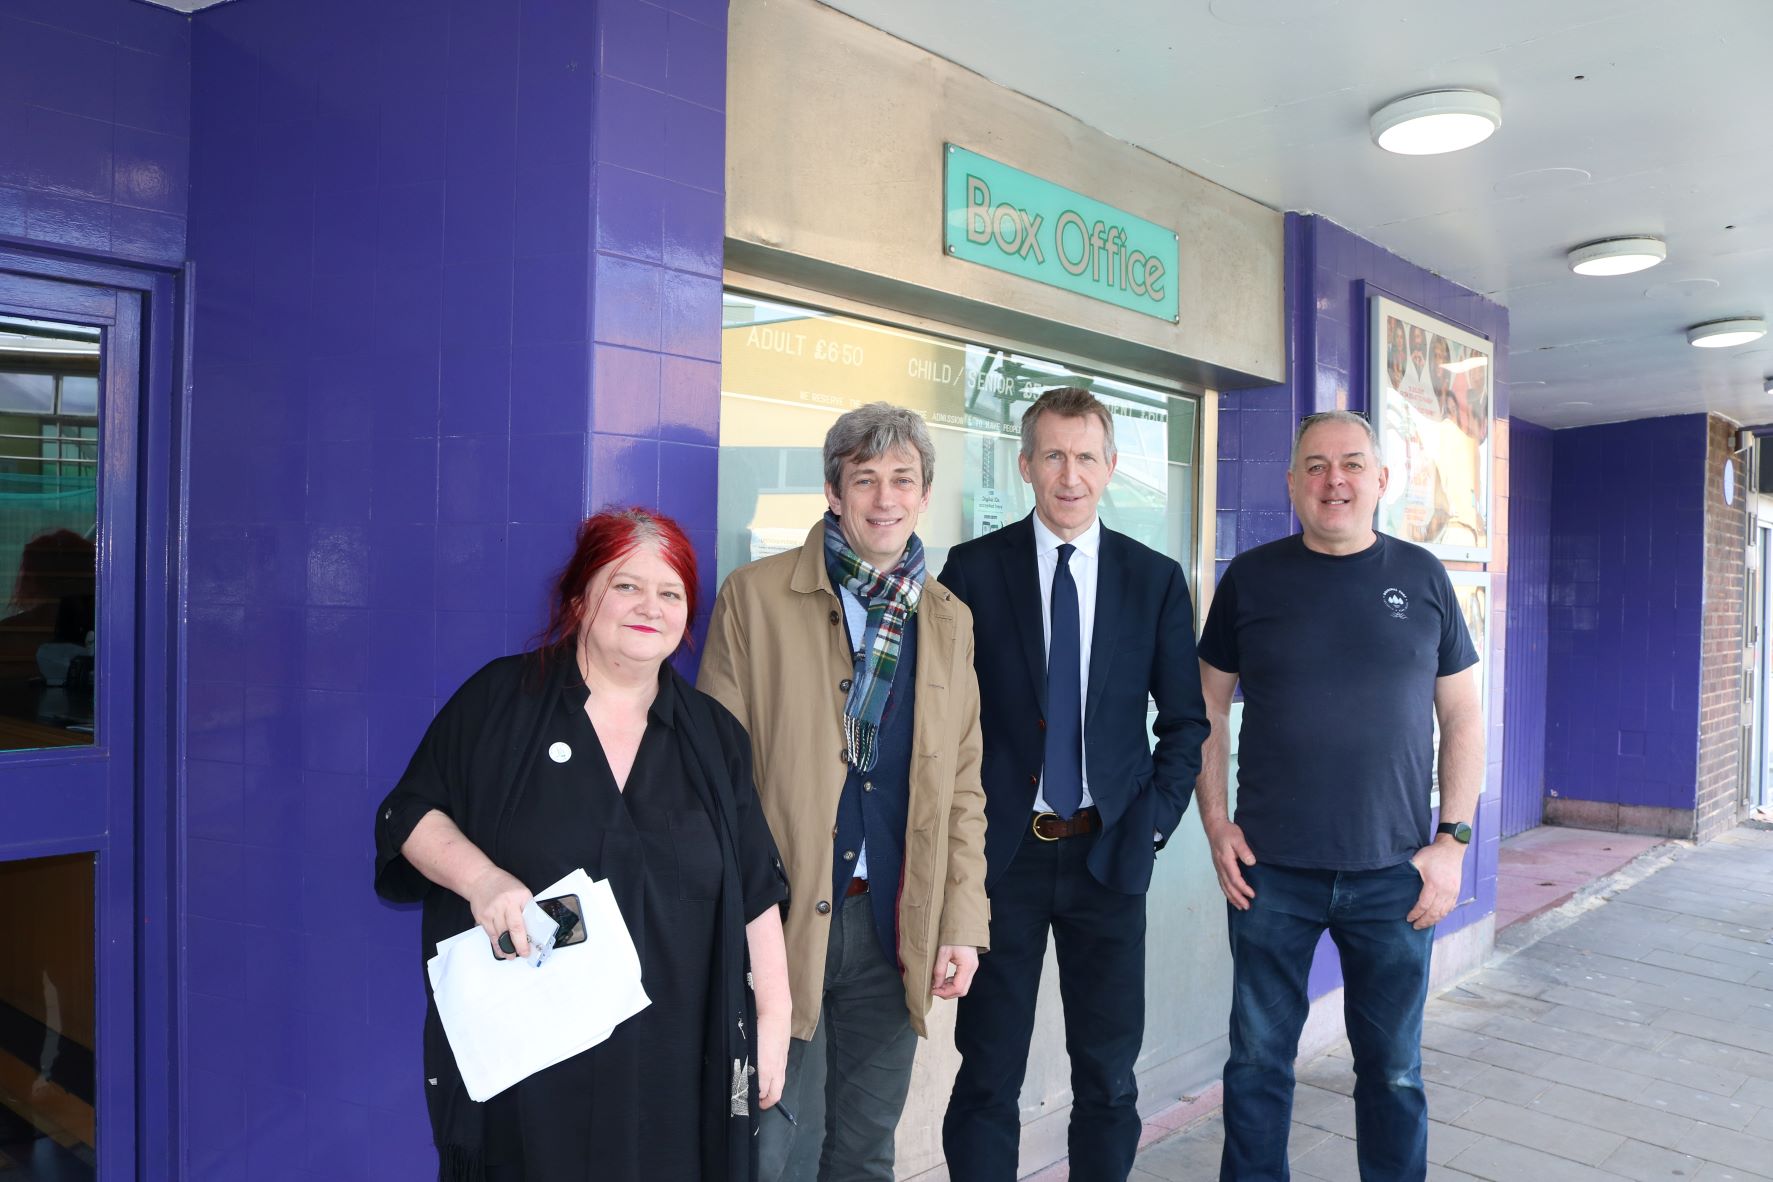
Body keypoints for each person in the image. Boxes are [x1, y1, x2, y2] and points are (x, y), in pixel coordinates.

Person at [372, 508, 791, 1182]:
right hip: (530, 1062)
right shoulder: (499, 702)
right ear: (578, 598)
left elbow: (755, 887)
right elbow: (409, 816)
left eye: (670, 592)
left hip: (676, 1063)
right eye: (625, 585)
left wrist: (774, 1017)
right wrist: (482, 880)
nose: (648, 607)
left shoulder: (713, 736)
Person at [699, 402, 990, 1182]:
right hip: (781, 920)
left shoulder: (949, 619)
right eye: (865, 480)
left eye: (902, 479)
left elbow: (962, 782)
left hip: (892, 921)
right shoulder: (753, 598)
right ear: (833, 492)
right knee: (774, 1147)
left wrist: (960, 920)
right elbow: (714, 776)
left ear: (925, 493)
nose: (884, 498)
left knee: (863, 1151)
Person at [1194, 410, 1482, 1182]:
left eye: (1352, 464)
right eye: (1315, 466)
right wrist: (1215, 823)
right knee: (1256, 1064)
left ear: (1380, 480)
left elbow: (1460, 715)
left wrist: (1450, 844)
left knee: (1391, 1072)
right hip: (1269, 874)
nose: (1334, 481)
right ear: (1291, 483)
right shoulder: (1250, 579)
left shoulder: (1423, 577)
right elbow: (1206, 708)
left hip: (1393, 874)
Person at [940, 386, 1210, 1182]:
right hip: (1002, 864)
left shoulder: (1152, 579)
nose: (1069, 474)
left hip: (1108, 857)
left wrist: (1149, 825)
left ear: (1111, 467)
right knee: (987, 1075)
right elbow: (943, 722)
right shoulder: (973, 571)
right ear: (1024, 465)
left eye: (1085, 456)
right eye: (1052, 455)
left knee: (1107, 1075)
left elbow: (1185, 723)